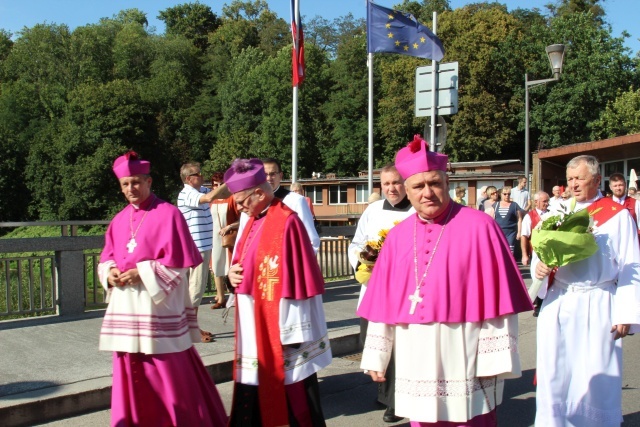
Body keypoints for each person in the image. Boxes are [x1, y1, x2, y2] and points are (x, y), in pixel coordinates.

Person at [358, 135, 532, 426]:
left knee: (472, 418)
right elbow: (382, 303)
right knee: (422, 419)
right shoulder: (398, 237)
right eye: (418, 186)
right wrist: (377, 355)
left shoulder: (480, 227)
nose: (427, 192)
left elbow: (498, 298)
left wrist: (494, 359)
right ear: (408, 192)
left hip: (465, 347)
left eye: (434, 183)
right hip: (415, 349)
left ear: (446, 183)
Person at [98, 152, 227, 427]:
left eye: (135, 182)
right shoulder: (118, 220)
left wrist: (141, 273)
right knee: (129, 369)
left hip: (157, 309)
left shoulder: (168, 214)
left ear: (148, 181)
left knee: (168, 373)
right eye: (125, 184)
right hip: (126, 309)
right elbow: (107, 256)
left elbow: (179, 265)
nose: (131, 189)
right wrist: (109, 273)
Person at [532, 155, 640, 427]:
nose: (574, 184)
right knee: (556, 369)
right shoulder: (557, 212)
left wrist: (626, 312)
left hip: (598, 300)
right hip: (559, 299)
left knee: (595, 371)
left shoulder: (617, 217)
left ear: (596, 179)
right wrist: (540, 267)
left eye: (579, 178)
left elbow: (631, 264)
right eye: (570, 179)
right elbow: (540, 252)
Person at [225, 158, 332, 426]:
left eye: (241, 200)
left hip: (282, 326)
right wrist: (231, 276)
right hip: (253, 322)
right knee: (253, 388)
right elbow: (241, 261)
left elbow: (299, 282)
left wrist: (292, 332)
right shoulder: (251, 218)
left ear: (259, 193)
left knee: (296, 393)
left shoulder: (287, 222)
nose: (238, 207)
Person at [348, 164, 415, 423]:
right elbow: (356, 243)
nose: (391, 188)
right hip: (374, 288)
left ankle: (395, 402)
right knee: (371, 340)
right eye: (386, 184)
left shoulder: (415, 211)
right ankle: (384, 390)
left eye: (396, 183)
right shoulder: (373, 210)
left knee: (397, 347)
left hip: (403, 291)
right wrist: (365, 262)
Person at [177, 162, 230, 342]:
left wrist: (236, 183)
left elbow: (221, 193)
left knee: (194, 290)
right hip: (196, 247)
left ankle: (191, 328)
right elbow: (209, 199)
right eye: (197, 174)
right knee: (195, 290)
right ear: (188, 178)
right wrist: (228, 180)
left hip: (201, 246)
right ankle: (191, 331)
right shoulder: (188, 193)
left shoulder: (200, 190)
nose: (201, 175)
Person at [236, 158, 320, 254]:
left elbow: (311, 240)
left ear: (280, 176)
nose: (268, 178)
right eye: (264, 174)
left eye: (272, 174)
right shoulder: (249, 203)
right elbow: (241, 240)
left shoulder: (296, 201)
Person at [209, 172, 240, 310]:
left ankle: (234, 295)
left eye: (221, 184)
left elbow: (243, 219)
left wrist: (230, 226)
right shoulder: (211, 200)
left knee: (229, 265)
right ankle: (220, 297)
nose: (218, 187)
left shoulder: (232, 198)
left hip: (229, 237)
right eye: (216, 185)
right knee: (216, 266)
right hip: (214, 237)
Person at [520, 191, 550, 267]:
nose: (547, 203)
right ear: (536, 202)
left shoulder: (552, 214)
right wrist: (524, 255)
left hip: (551, 251)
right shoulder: (529, 217)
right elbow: (524, 236)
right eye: (544, 201)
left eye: (548, 201)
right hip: (536, 253)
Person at [491, 186, 524, 254]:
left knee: (510, 252)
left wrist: (519, 232)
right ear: (501, 194)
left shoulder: (514, 205)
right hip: (499, 231)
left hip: (511, 232)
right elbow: (492, 219)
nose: (507, 196)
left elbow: (519, 219)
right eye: (505, 194)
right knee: (499, 250)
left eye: (509, 194)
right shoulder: (496, 205)